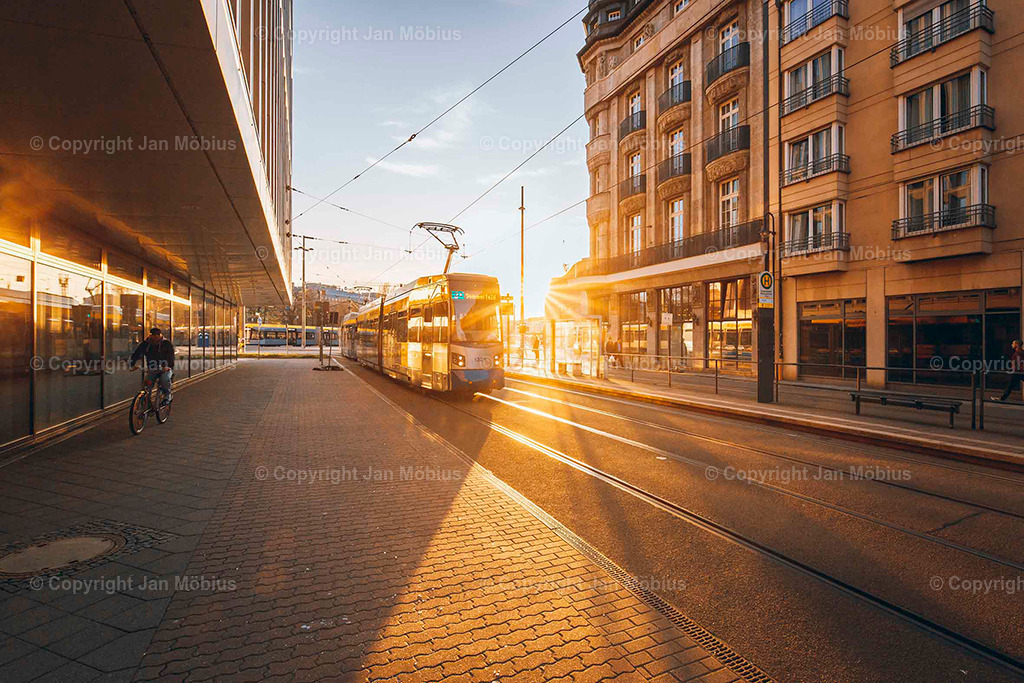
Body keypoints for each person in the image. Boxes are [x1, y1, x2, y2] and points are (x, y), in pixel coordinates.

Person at [131, 327, 176, 404]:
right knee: (147, 385)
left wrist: (167, 366)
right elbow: (137, 353)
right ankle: (146, 402)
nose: (156, 337)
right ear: (150, 335)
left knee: (164, 379)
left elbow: (170, 356)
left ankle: (167, 396)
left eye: (158, 335)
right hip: (152, 368)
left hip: (165, 368)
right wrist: (132, 364)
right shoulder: (146, 344)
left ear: (160, 335)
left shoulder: (166, 344)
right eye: (154, 335)